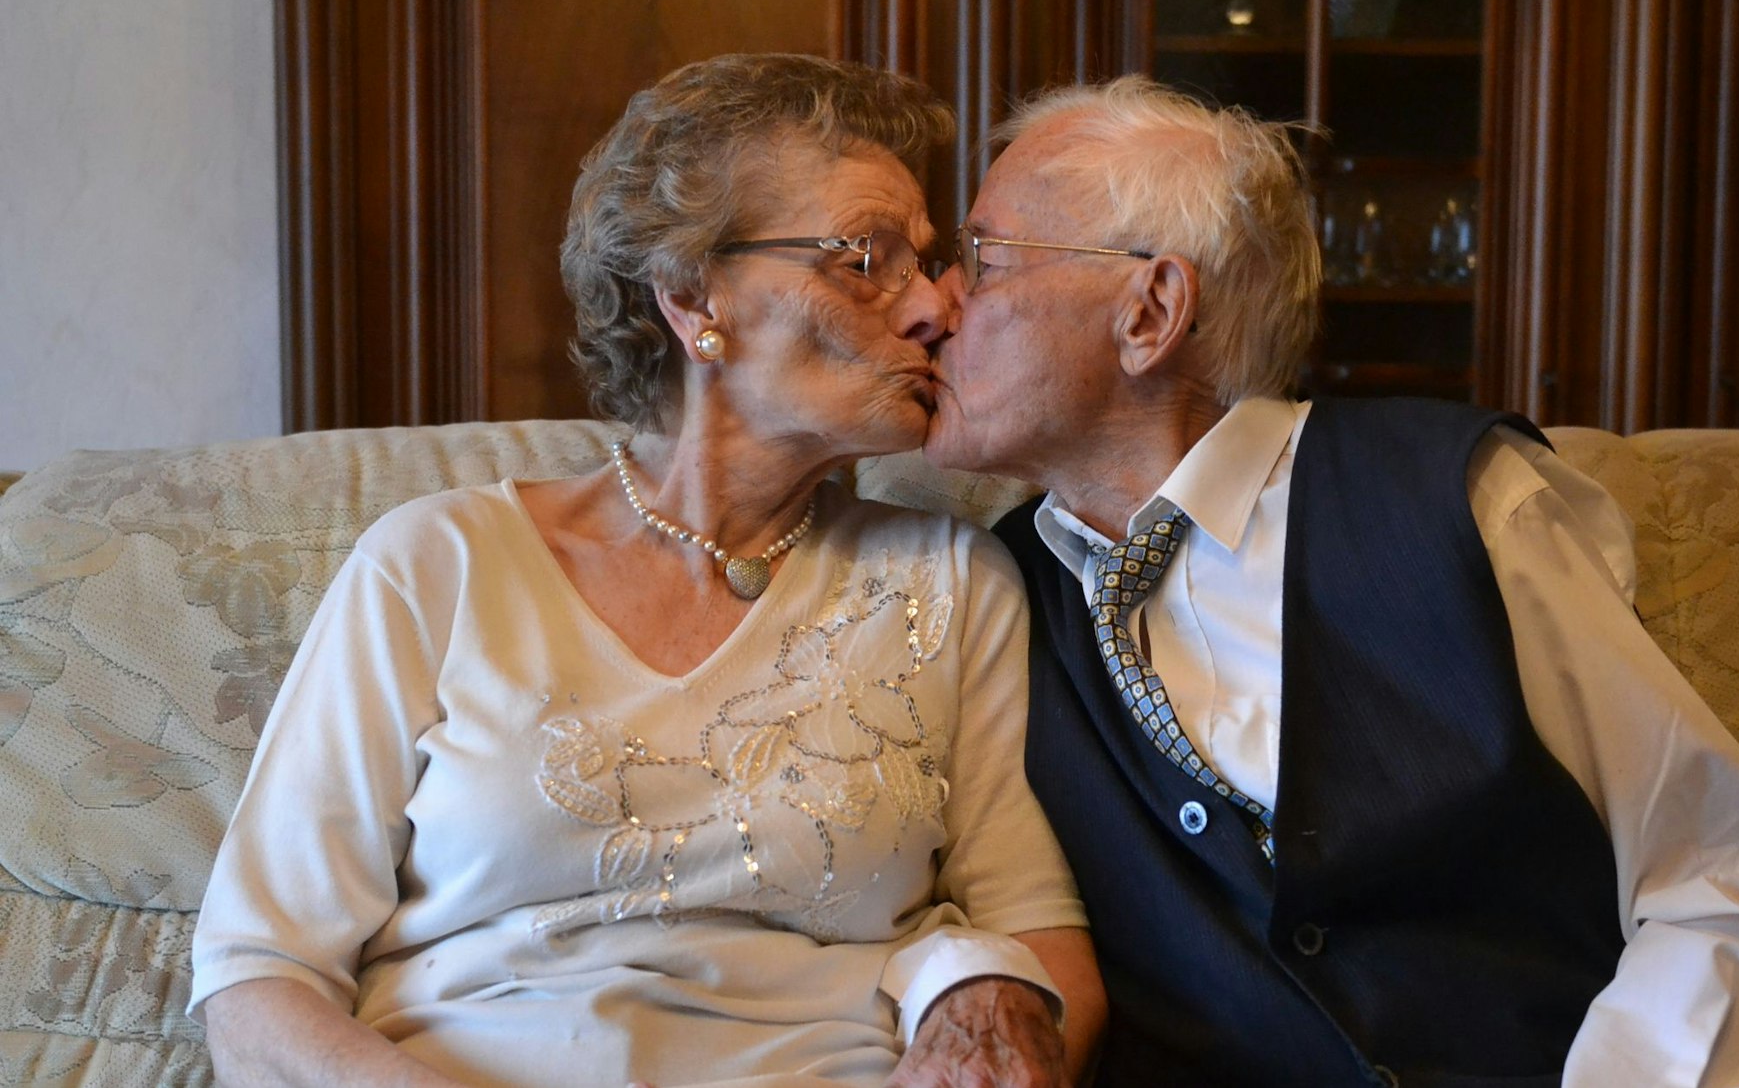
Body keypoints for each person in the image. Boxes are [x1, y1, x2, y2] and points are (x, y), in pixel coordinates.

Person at [920, 75, 1739, 1087]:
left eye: (982, 259)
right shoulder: (975, 593)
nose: (934, 305)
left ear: (1149, 312)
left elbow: (1725, 888)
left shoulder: (1458, 508)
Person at [190, 54, 1103, 1088]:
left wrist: (993, 999)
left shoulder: (953, 582)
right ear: (689, 296)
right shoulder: (432, 564)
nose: (933, 307)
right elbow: (257, 980)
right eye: (865, 258)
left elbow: (1046, 947)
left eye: (926, 261)